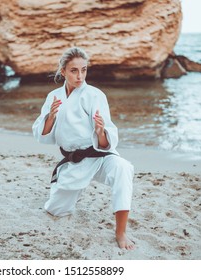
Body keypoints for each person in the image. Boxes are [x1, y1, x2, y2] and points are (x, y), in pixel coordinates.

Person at [32, 47, 135, 250]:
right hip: (75, 161)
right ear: (63, 72)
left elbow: (107, 141)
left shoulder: (95, 95)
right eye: (74, 71)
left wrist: (100, 131)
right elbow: (42, 135)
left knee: (123, 168)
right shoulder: (54, 96)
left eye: (84, 70)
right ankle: (67, 187)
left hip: (100, 156)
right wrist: (50, 117)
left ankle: (121, 232)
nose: (80, 76)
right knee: (56, 210)